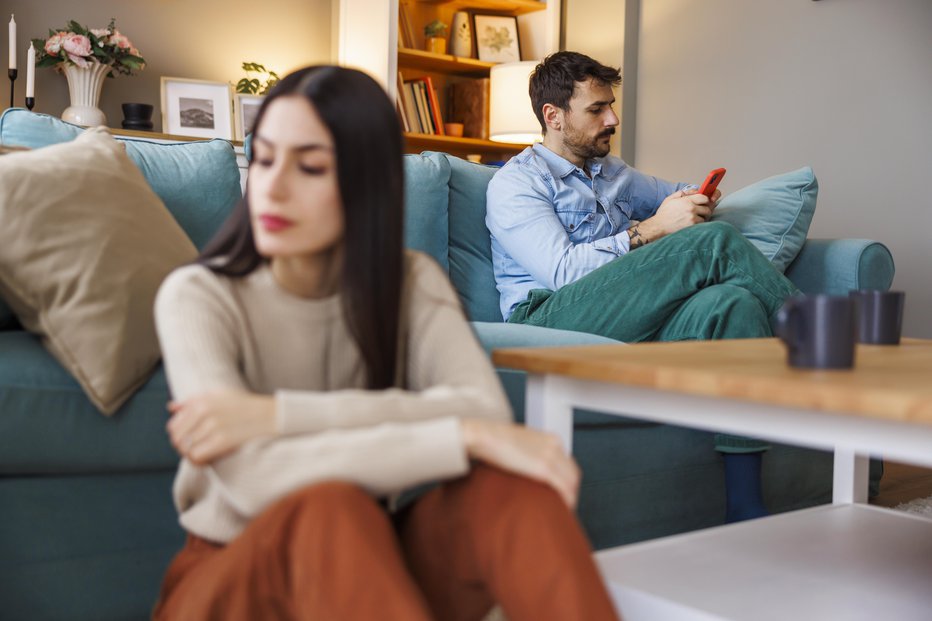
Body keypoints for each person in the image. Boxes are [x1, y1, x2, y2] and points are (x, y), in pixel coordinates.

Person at [151, 65, 619, 621]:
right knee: (332, 504)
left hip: (366, 557)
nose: (272, 187)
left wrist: (277, 416)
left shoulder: (410, 283)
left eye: (310, 167)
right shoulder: (197, 295)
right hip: (235, 579)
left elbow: (484, 408)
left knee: (510, 493)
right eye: (266, 159)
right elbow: (255, 479)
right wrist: (459, 435)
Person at [485, 51, 801, 523]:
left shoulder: (615, 174)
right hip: (548, 320)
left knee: (730, 303)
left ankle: (745, 507)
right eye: (596, 110)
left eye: (610, 105)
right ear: (553, 116)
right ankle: (841, 352)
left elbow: (678, 191)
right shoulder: (517, 184)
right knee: (709, 243)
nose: (612, 119)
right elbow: (564, 272)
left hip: (620, 318)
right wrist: (653, 228)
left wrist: (694, 199)